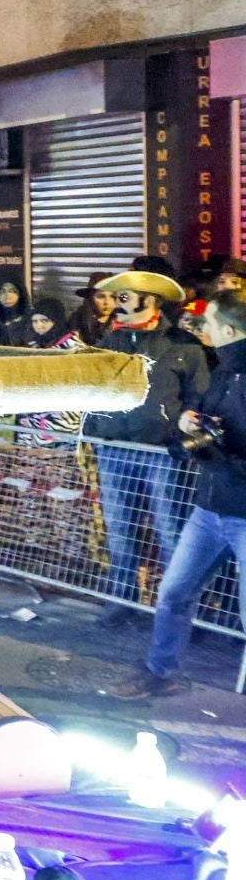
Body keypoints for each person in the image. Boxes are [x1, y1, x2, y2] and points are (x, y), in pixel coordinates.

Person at [111, 291, 246, 697]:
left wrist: (225, 456)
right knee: (172, 595)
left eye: (208, 320)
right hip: (208, 510)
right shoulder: (223, 367)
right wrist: (193, 424)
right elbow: (211, 415)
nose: (199, 326)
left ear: (228, 329)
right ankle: (159, 672)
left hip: (241, 511)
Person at [83, 269, 208, 625]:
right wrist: (94, 430)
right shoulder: (108, 342)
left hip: (162, 452)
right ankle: (123, 600)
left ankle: (179, 610)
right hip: (114, 447)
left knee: (171, 531)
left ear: (149, 301)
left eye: (124, 298)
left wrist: (187, 417)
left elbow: (198, 393)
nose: (114, 305)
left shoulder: (183, 345)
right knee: (119, 527)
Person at [0, 277, 33, 346]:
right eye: (2, 291)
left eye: (13, 291)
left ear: (21, 294)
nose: (8, 296)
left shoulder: (33, 321)